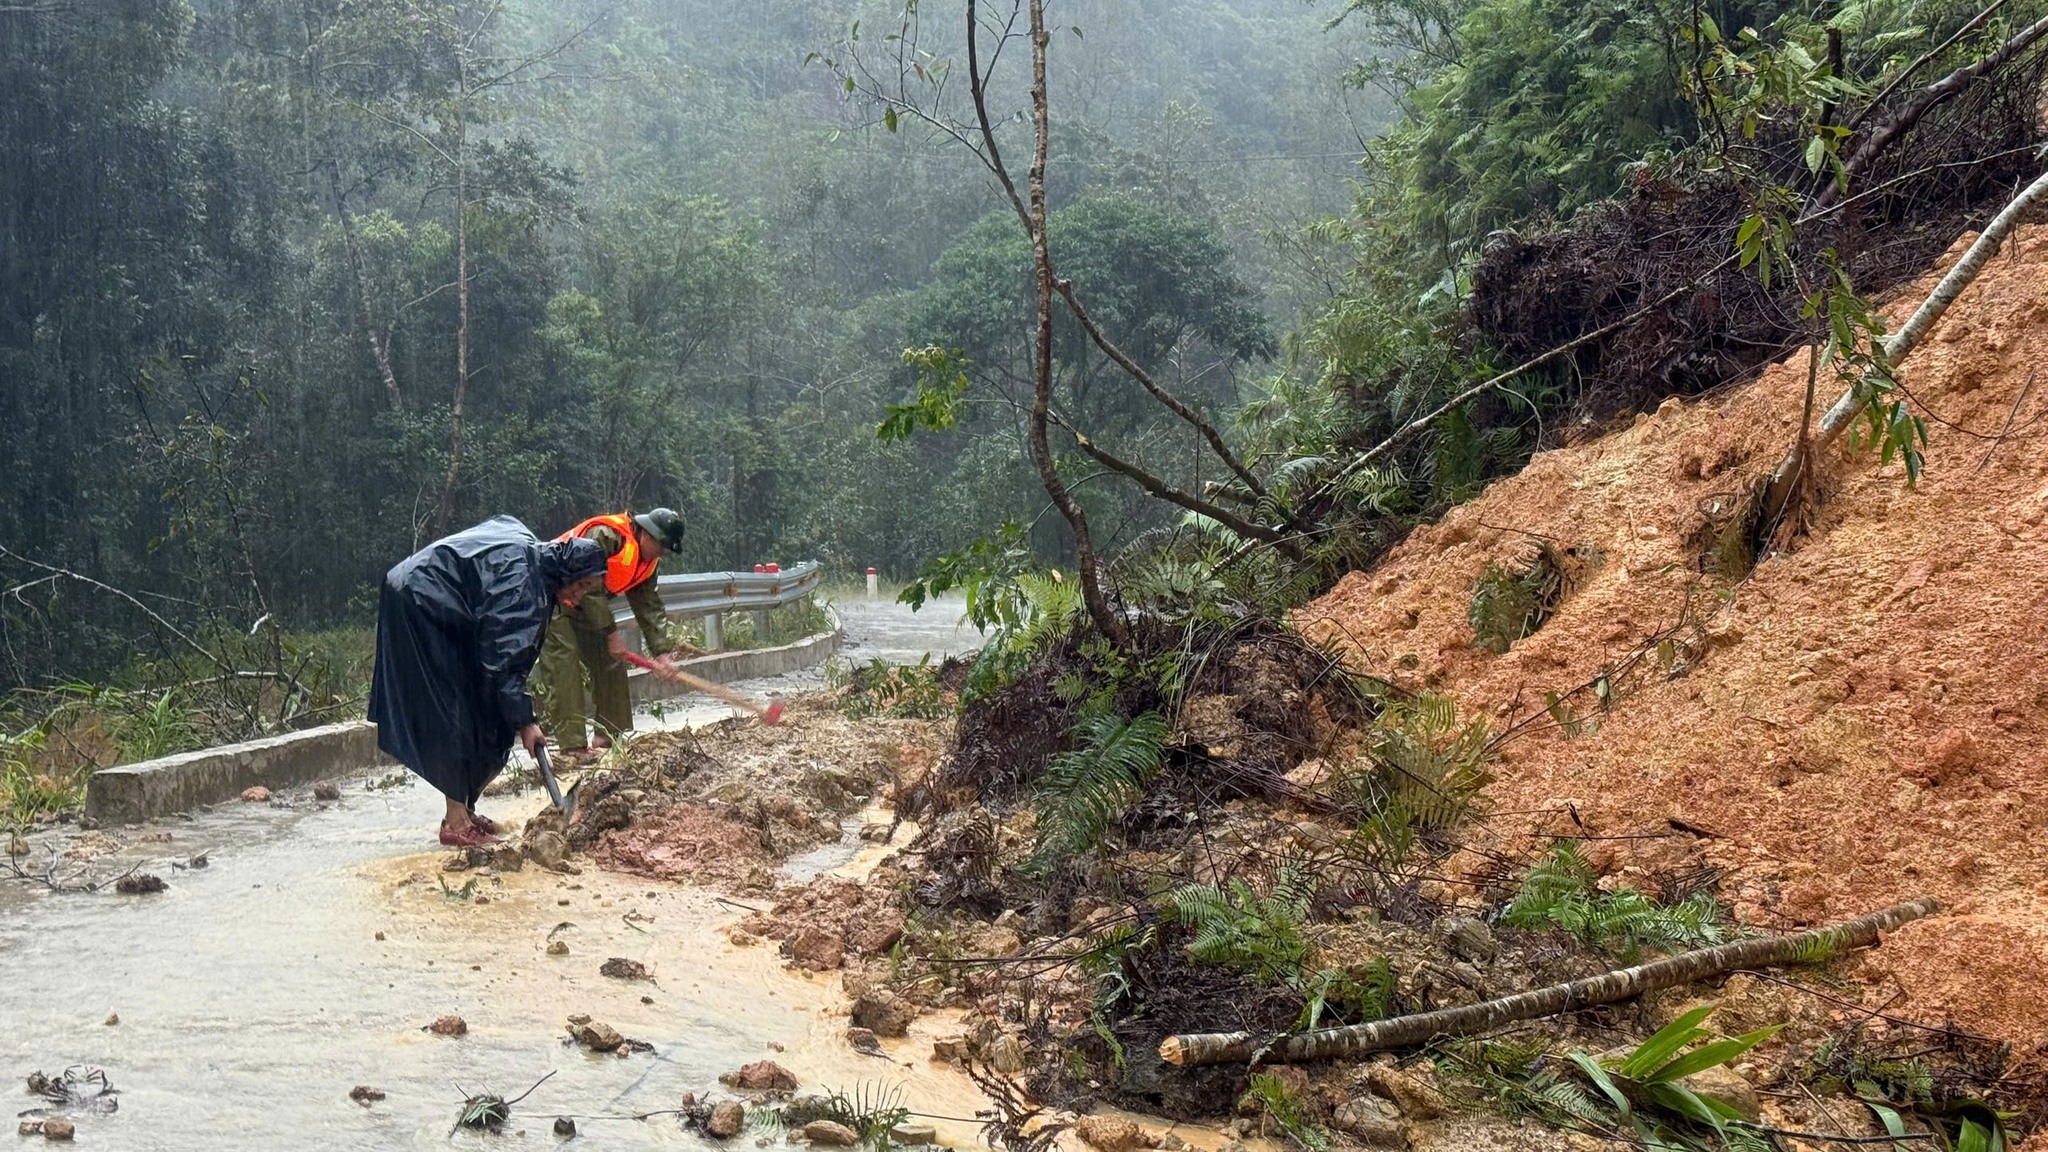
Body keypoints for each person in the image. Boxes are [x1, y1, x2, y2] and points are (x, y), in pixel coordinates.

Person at [368, 515, 608, 847]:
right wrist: (526, 723)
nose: (580, 596)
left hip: (444, 606)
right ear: (565, 573)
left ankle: (464, 809)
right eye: (580, 585)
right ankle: (456, 822)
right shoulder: (524, 589)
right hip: (419, 603)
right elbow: (503, 664)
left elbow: (502, 523)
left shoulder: (534, 561)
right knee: (456, 709)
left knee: (484, 708)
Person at [536, 507, 702, 758]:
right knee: (564, 662)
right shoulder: (607, 536)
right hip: (553, 597)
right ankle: (572, 747)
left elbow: (649, 605)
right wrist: (612, 633)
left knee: (611, 660)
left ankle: (608, 735)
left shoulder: (647, 562)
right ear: (648, 534)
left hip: (586, 604)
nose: (661, 553)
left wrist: (662, 653)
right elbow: (589, 588)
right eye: (661, 546)